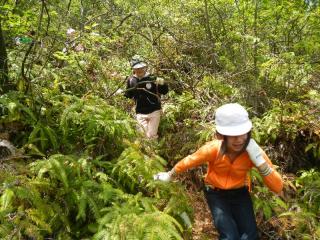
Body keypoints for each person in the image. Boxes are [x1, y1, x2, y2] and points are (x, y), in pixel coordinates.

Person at [154, 103, 283, 240]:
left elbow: (277, 187)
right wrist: (169, 175)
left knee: (250, 236)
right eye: (233, 135)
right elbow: (189, 161)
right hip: (216, 194)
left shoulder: (254, 152)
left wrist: (260, 162)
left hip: (240, 194)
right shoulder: (213, 149)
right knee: (229, 236)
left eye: (243, 134)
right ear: (221, 135)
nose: (239, 140)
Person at [124, 55, 169, 139]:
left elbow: (165, 91)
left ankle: (153, 152)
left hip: (154, 111)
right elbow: (128, 95)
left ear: (145, 67)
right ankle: (145, 152)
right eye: (136, 68)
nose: (139, 70)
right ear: (133, 69)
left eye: (141, 67)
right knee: (142, 136)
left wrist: (163, 83)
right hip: (140, 112)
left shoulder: (153, 78)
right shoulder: (131, 80)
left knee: (151, 135)